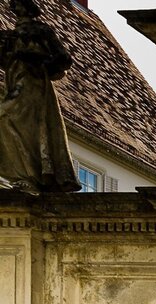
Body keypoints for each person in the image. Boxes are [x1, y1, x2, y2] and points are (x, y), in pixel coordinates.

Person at [0, 0, 80, 192]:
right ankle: (25, 174)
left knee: (11, 119)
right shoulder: (10, 37)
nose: (17, 7)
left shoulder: (41, 31)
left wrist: (40, 64)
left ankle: (31, 175)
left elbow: (64, 59)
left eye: (20, 4)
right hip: (14, 83)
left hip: (33, 84)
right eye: (15, 4)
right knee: (10, 123)